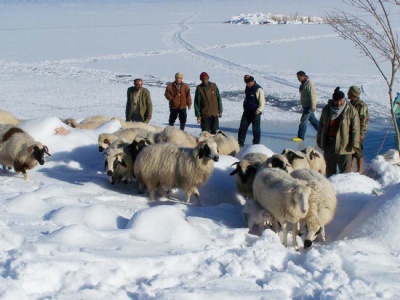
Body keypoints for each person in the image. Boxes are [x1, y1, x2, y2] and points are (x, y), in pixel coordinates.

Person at [316, 87, 360, 177]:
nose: (339, 103)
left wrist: (355, 145)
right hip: (329, 144)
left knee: (344, 174)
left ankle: (344, 190)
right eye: (336, 101)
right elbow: (321, 126)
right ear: (333, 100)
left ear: (344, 99)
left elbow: (355, 129)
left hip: (345, 146)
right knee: (329, 171)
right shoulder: (327, 109)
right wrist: (319, 139)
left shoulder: (351, 111)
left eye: (341, 101)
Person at [237, 75, 265, 147]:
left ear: (252, 81)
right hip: (247, 112)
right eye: (246, 83)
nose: (247, 84)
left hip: (255, 113)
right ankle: (240, 142)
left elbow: (262, 102)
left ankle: (256, 144)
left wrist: (258, 111)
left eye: (248, 83)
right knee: (242, 127)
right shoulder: (247, 87)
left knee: (256, 129)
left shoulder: (258, 89)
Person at [293, 71, 319, 142]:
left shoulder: (309, 83)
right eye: (297, 77)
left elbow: (313, 95)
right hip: (305, 105)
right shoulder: (303, 83)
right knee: (312, 120)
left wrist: (313, 106)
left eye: (299, 77)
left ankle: (300, 137)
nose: (298, 79)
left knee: (303, 121)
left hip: (309, 105)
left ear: (303, 76)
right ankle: (322, 132)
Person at [348, 85, 369, 173]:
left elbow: (363, 121)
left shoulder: (361, 105)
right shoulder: (350, 104)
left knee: (358, 152)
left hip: (357, 132)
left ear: (352, 94)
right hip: (349, 131)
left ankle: (360, 171)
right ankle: (351, 171)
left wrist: (361, 134)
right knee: (350, 152)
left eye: (349, 92)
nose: (347, 94)